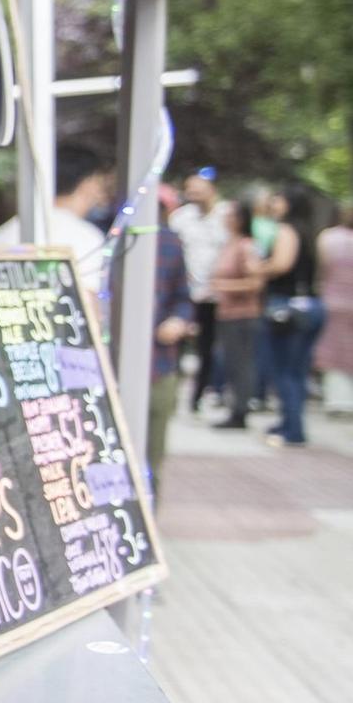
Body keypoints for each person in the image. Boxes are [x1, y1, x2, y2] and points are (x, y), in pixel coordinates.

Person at [0, 142, 112, 294]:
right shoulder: (87, 237)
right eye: (101, 180)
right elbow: (87, 299)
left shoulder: (6, 231)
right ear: (89, 182)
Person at [258, 186, 324, 446]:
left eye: (278, 199)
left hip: (287, 308)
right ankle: (290, 421)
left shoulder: (286, 231)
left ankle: (292, 428)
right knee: (296, 371)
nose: (274, 203)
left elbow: (281, 264)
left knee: (284, 370)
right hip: (310, 306)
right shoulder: (311, 232)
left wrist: (259, 268)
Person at [146, 195, 196, 498]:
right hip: (105, 367)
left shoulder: (169, 242)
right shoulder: (101, 238)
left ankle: (148, 522)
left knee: (152, 456)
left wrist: (178, 320)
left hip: (158, 362)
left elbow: (183, 296)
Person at [169, 169, 229, 409]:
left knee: (208, 347)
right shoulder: (181, 218)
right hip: (185, 291)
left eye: (198, 190)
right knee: (178, 343)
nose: (193, 194)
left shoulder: (227, 215)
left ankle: (199, 395)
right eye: (190, 190)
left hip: (215, 294)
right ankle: (173, 393)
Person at [211, 201, 264, 430]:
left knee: (241, 364)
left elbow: (255, 282)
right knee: (232, 364)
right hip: (227, 314)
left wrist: (223, 286)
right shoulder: (228, 244)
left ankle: (240, 411)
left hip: (242, 316)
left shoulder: (246, 246)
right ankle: (236, 407)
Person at [320, 202, 353, 416]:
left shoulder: (328, 238)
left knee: (332, 349)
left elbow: (323, 268)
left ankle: (337, 399)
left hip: (333, 300)